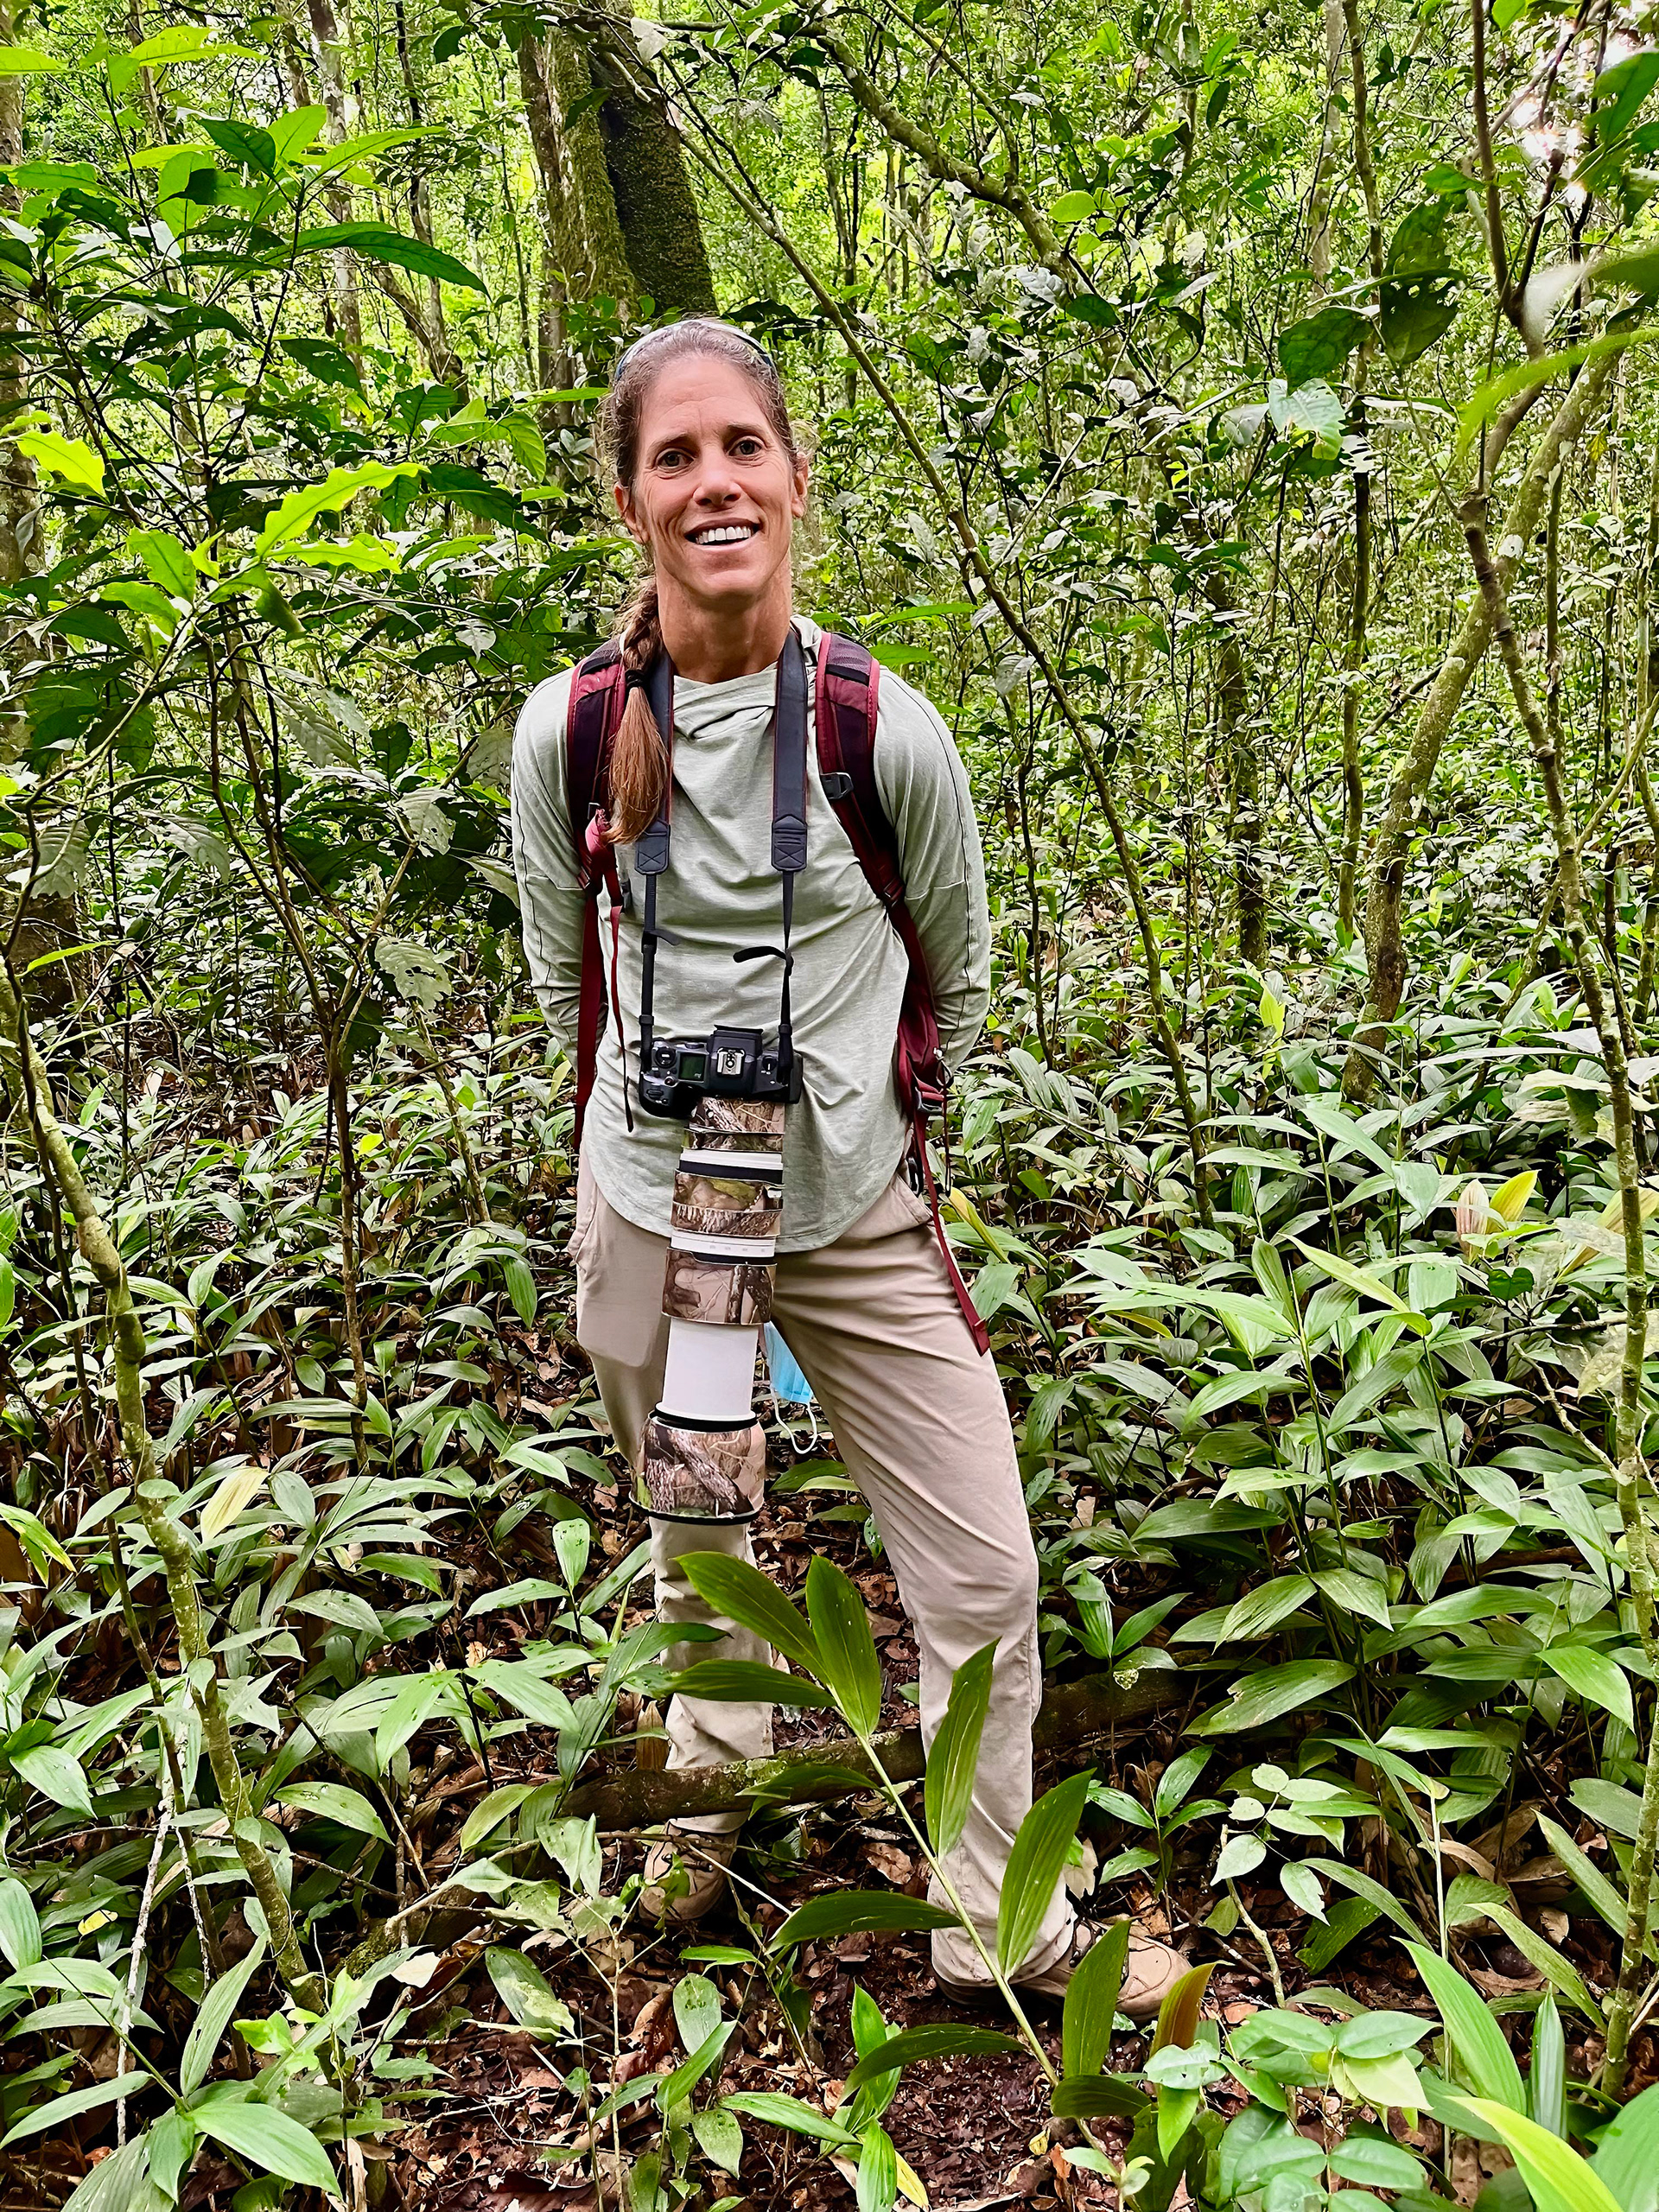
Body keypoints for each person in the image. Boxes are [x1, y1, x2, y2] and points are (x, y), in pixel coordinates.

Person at [510, 317, 1183, 2015]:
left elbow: (951, 955)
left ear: (796, 478)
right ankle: (708, 1827)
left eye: (743, 446)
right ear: (627, 501)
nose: (715, 481)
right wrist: (636, 1171)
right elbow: (558, 972)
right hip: (667, 1204)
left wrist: (870, 1127)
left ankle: (993, 1917)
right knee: (700, 1527)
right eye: (677, 455)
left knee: (982, 1564)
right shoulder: (573, 733)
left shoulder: (885, 730)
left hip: (850, 1199)